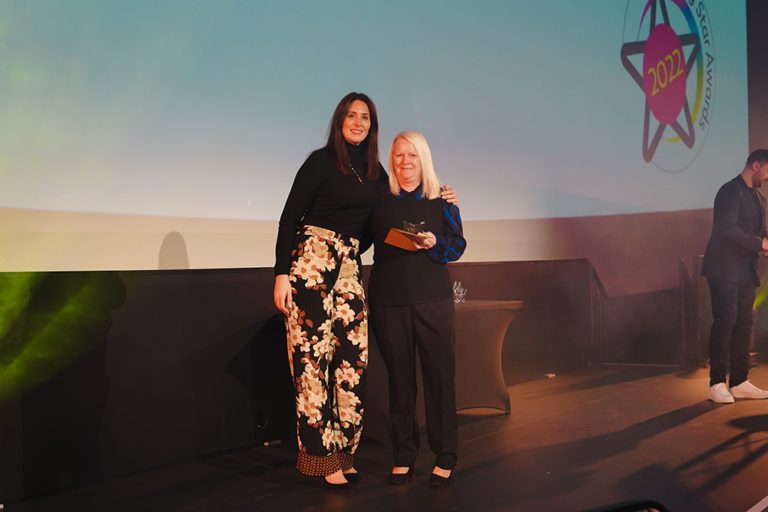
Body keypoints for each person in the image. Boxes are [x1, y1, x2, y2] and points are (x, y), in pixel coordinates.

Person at [273, 92, 385, 490]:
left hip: (349, 267)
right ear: (339, 120)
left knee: (352, 363)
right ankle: (322, 459)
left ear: (372, 126)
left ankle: (344, 453)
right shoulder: (319, 162)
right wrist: (281, 274)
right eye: (351, 115)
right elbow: (289, 218)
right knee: (311, 363)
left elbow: (383, 219)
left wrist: (440, 199)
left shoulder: (375, 171)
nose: (358, 122)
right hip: (311, 263)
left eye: (365, 117)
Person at [368, 131, 467, 488]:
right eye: (399, 155)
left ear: (423, 159)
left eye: (412, 155)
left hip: (432, 300)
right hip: (388, 300)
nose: (405, 161)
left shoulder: (442, 199)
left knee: (439, 377)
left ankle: (445, 455)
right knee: (400, 381)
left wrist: (435, 243)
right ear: (391, 160)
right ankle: (404, 454)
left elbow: (457, 246)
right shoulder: (378, 197)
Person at [701, 149, 768, 403]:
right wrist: (760, 244)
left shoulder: (759, 198)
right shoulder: (729, 191)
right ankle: (717, 382)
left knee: (744, 323)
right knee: (725, 322)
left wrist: (765, 242)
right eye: (767, 171)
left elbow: (761, 232)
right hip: (724, 269)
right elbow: (726, 230)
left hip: (747, 271)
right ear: (756, 165)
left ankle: (740, 381)